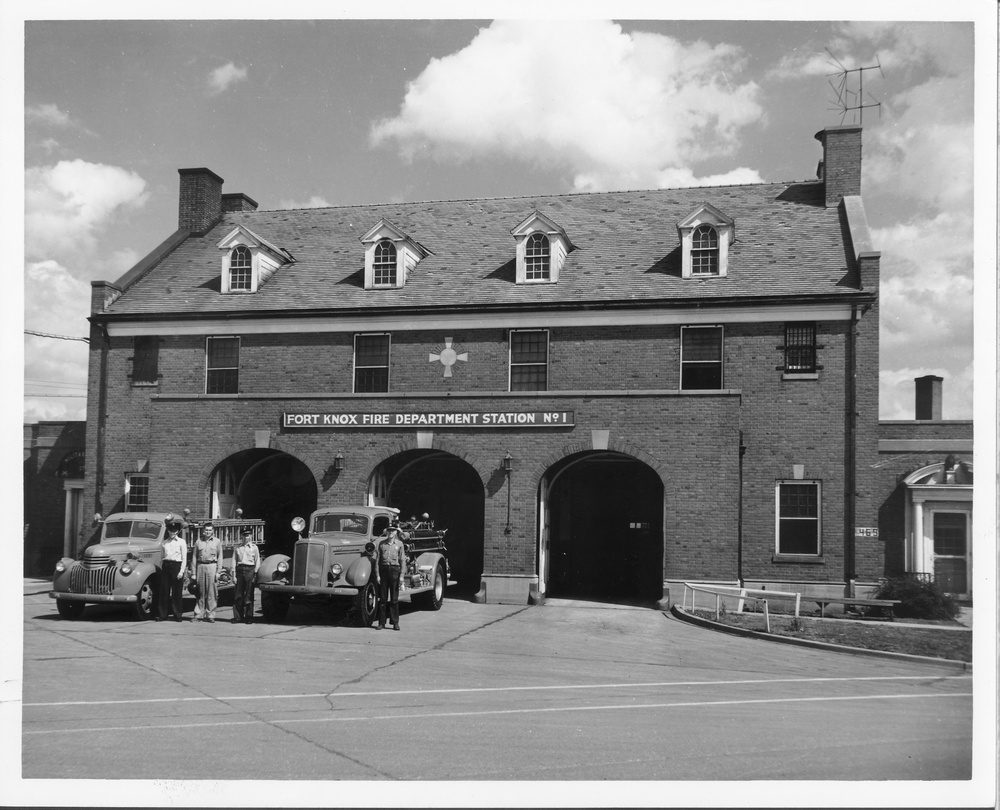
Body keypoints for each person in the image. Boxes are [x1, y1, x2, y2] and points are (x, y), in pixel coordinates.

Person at [189, 522, 223, 622]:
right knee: (200, 591)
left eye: (210, 530)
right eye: (206, 530)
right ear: (203, 531)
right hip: (200, 566)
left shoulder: (217, 542)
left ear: (213, 531)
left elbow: (220, 557)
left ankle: (210, 615)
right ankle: (199, 614)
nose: (208, 532)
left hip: (212, 566)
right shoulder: (198, 542)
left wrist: (218, 572)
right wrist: (193, 573)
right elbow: (194, 557)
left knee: (211, 591)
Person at [157, 517, 187, 622]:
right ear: (168, 531)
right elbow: (161, 557)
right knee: (164, 591)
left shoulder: (181, 542)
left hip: (176, 566)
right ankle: (163, 614)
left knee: (177, 592)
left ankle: (177, 615)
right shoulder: (164, 543)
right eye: (170, 531)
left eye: (174, 531)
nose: (172, 533)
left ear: (178, 531)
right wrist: (162, 568)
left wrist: (181, 572)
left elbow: (184, 559)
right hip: (166, 566)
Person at [376, 524, 406, 630]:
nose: (390, 533)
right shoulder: (381, 544)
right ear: (386, 532)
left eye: (393, 531)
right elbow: (377, 561)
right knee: (383, 599)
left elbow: (402, 560)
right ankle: (381, 623)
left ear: (396, 532)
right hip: (383, 570)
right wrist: (378, 575)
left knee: (394, 598)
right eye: (389, 531)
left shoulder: (399, 544)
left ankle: (395, 622)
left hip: (394, 570)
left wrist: (402, 575)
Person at [231, 528, 260, 624]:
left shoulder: (254, 548)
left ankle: (248, 617)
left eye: (248, 535)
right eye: (244, 535)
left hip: (250, 570)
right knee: (238, 595)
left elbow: (257, 561)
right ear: (241, 536)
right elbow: (233, 561)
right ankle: (238, 617)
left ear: (251, 536)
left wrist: (255, 574)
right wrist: (233, 575)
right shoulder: (238, 547)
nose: (246, 537)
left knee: (249, 594)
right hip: (240, 569)